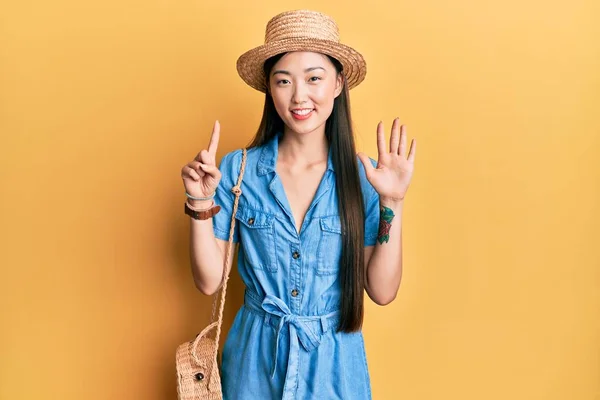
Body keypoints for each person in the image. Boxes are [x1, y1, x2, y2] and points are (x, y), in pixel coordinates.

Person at [180, 9, 416, 400]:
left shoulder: (365, 177)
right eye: (283, 81)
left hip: (335, 369)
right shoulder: (239, 171)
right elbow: (209, 282)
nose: (299, 96)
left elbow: (382, 290)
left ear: (339, 83)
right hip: (254, 366)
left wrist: (392, 200)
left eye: (314, 78)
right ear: (270, 89)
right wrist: (199, 201)